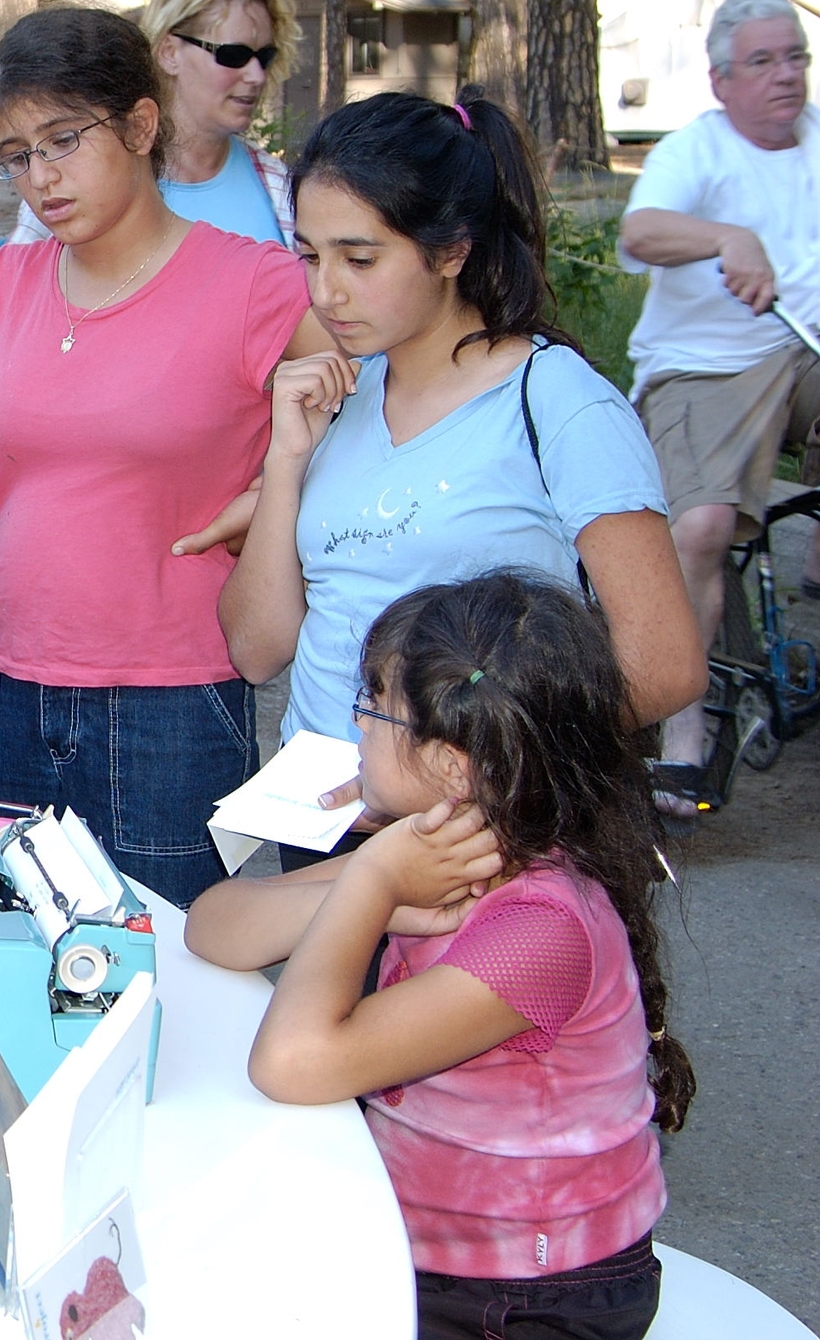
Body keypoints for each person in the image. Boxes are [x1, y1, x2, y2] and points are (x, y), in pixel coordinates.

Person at [0, 5, 334, 906]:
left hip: (172, 706)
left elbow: (378, 406)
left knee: (165, 974)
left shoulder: (255, 284)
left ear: (141, 126)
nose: (39, 177)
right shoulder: (0, 283)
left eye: (63, 140)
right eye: (15, 154)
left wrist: (273, 494)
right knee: (3, 958)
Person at [187, 572, 693, 1340]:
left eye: (374, 708)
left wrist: (374, 882)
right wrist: (376, 877)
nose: (356, 727)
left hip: (526, 1295)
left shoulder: (541, 928)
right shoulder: (449, 845)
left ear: (454, 765)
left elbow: (293, 1063)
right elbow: (214, 924)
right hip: (420, 1236)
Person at [218, 92, 699, 783]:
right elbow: (256, 651)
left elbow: (664, 667)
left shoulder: (559, 402)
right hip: (318, 812)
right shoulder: (337, 398)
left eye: (359, 260)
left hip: (471, 829)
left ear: (451, 251)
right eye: (309, 256)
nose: (326, 294)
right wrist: (286, 460)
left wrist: (475, 768)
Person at [617, 0, 820, 807]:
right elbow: (640, 232)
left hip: (802, 351)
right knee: (697, 525)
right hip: (707, 365)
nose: (785, 77)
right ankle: (683, 725)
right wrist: (727, 238)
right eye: (764, 62)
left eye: (796, 58)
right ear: (721, 79)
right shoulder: (692, 153)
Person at [13, 0, 297, 249]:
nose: (256, 75)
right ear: (169, 52)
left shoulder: (280, 187)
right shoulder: (77, 184)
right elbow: (17, 280)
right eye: (234, 55)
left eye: (265, 57)